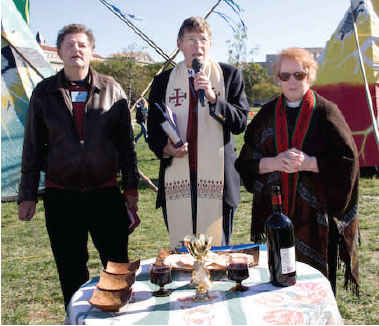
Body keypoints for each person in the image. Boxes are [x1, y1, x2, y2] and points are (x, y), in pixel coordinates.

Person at [18, 24, 140, 309]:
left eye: (82, 45)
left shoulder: (112, 89)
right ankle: (77, 318)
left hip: (105, 194)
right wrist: (27, 195)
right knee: (71, 270)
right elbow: (33, 147)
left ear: (92, 52)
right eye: (70, 45)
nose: (76, 50)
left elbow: (127, 146)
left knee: (116, 266)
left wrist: (131, 187)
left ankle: (117, 314)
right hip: (62, 196)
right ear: (59, 52)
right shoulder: (44, 93)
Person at [235, 48, 359, 295]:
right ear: (277, 78)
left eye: (299, 75)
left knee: (316, 289)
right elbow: (246, 162)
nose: (291, 81)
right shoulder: (267, 113)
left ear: (310, 76)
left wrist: (309, 162)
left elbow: (348, 161)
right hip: (276, 215)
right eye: (285, 75)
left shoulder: (326, 112)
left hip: (317, 222)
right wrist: (275, 162)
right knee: (277, 285)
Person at [147, 17, 250, 249]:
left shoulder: (229, 76)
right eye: (191, 40)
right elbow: (153, 129)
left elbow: (240, 122)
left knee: (216, 257)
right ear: (179, 44)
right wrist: (165, 147)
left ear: (210, 43)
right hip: (179, 178)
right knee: (182, 256)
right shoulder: (164, 81)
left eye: (203, 39)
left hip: (218, 182)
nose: (198, 45)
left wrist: (214, 99)